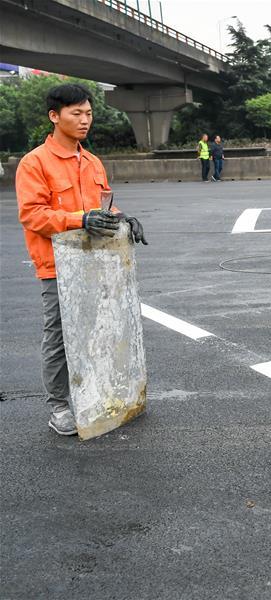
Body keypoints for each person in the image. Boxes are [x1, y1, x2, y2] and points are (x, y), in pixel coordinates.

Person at [15, 83, 147, 436]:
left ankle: (103, 393)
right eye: (76, 113)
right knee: (59, 335)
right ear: (55, 116)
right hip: (57, 266)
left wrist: (123, 219)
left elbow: (103, 207)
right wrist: (79, 218)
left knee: (102, 328)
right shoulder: (34, 163)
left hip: (98, 263)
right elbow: (33, 215)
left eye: (88, 113)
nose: (85, 119)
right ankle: (58, 406)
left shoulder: (91, 161)